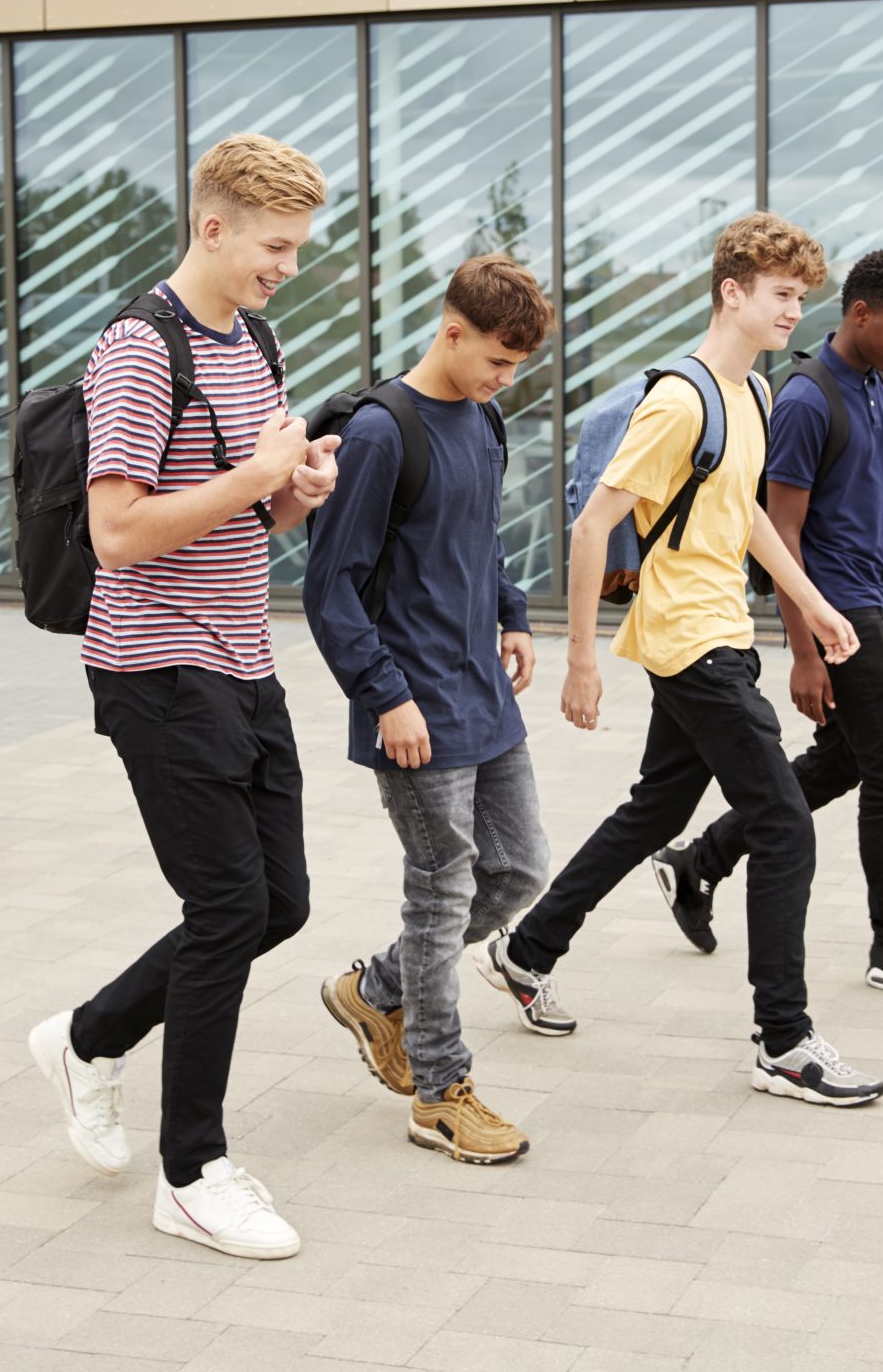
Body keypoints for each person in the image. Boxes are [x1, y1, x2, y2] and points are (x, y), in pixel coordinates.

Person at [478, 212, 883, 1108]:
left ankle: (527, 947)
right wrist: (580, 658)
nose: (793, 312)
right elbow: (592, 522)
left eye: (800, 297)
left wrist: (813, 606)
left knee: (655, 805)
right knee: (783, 823)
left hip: (722, 633)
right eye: (782, 295)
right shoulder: (681, 398)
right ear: (731, 292)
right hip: (688, 643)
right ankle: (783, 1041)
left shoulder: (756, 397)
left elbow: (740, 514)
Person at [26, 133, 339, 1261]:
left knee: (280, 901)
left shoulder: (253, 338)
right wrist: (256, 477)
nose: (286, 268)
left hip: (244, 660)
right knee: (225, 909)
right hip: (156, 666)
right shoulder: (137, 353)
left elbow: (245, 516)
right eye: (274, 247)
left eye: (297, 251)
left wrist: (293, 493)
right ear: (212, 227)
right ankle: (192, 1170)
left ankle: (88, 1035)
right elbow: (116, 534)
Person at [650, 249, 883, 1001]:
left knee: (845, 760)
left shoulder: (882, 389)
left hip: (872, 602)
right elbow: (778, 533)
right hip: (832, 608)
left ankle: (699, 860)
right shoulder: (803, 399)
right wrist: (803, 653)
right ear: (858, 313)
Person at [304, 255, 554, 1166]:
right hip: (411, 705)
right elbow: (331, 589)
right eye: (496, 359)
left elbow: (479, 537)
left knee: (519, 871)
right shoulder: (381, 432)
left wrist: (513, 612)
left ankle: (376, 988)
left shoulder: (484, 417)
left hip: (480, 689)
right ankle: (441, 1093)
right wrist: (386, 698)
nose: (505, 379)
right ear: (451, 330)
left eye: (518, 366)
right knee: (442, 891)